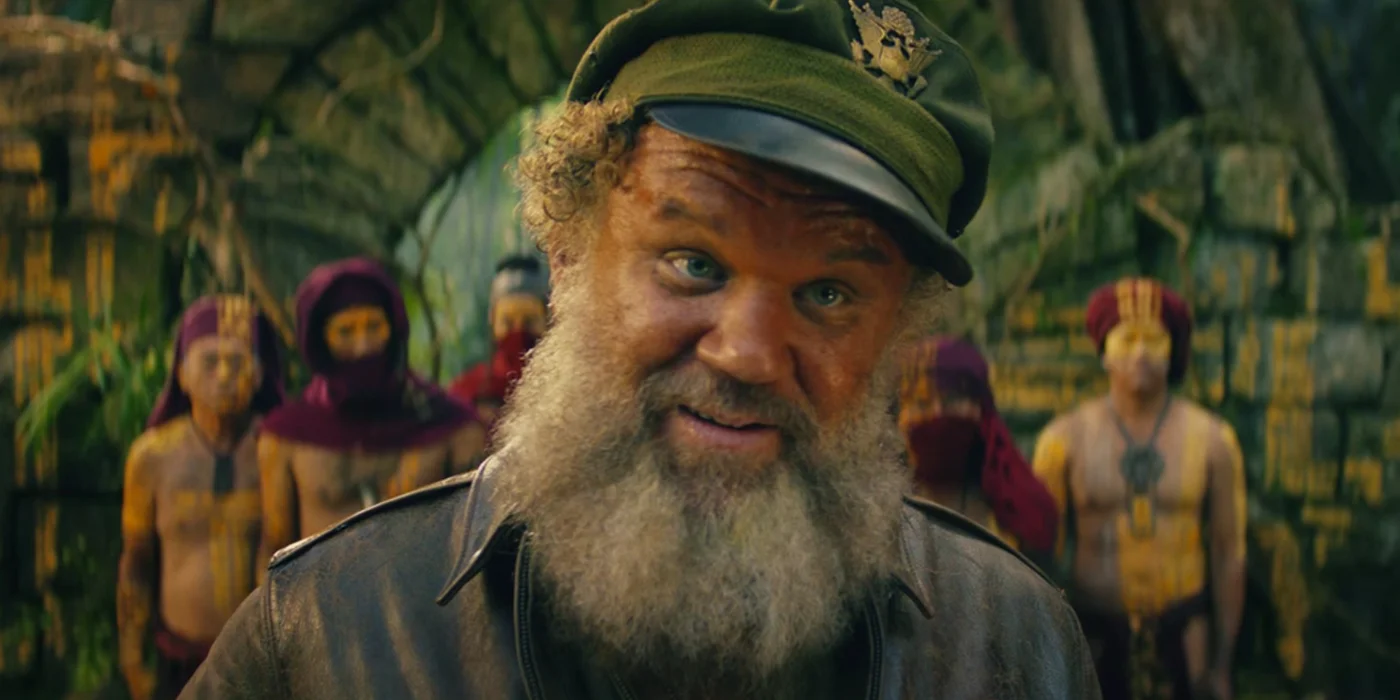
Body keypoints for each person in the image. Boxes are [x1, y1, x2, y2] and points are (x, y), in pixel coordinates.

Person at [183, 2, 1099, 698]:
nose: (746, 353)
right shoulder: (330, 632)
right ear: (568, 253)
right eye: (694, 262)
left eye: (827, 293)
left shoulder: (1015, 653)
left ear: (898, 331)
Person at [1030, 276, 1246, 700]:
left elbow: (1228, 552)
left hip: (1186, 640)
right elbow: (1039, 559)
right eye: (1127, 339)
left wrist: (1222, 665)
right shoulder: (1063, 441)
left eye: (1154, 339)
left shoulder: (1214, 440)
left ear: (1172, 350)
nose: (1141, 352)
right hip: (1095, 637)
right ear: (1104, 351)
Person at [253, 257, 485, 578]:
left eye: (374, 327)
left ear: (394, 328)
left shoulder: (451, 427)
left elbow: (475, 542)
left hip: (421, 602)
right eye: (345, 331)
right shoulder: (286, 437)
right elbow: (274, 551)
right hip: (320, 604)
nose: (363, 346)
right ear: (321, 340)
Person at [118, 295, 284, 699]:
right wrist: (133, 658)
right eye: (210, 361)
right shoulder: (151, 457)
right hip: (175, 661)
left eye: (237, 362)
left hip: (261, 663)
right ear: (182, 374)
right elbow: (136, 562)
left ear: (259, 375)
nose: (224, 374)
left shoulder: (278, 451)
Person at [898, 335, 1059, 558]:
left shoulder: (1015, 506)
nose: (937, 413)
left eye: (952, 401)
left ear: (980, 408)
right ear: (901, 413)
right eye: (922, 403)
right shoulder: (883, 503)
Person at [446, 254, 549, 431]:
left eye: (529, 322)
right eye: (508, 322)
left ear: (547, 321)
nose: (518, 332)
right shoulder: (467, 392)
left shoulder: (562, 392)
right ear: (493, 323)